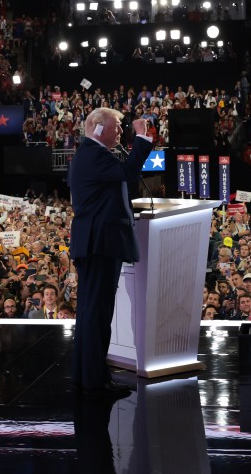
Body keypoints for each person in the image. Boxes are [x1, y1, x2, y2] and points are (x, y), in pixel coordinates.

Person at [69, 107, 152, 396]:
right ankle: (94, 381)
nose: (121, 131)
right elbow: (128, 173)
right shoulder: (93, 153)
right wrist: (142, 138)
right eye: (117, 126)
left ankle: (87, 376)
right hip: (100, 242)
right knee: (97, 314)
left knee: (93, 313)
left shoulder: (91, 153)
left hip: (96, 242)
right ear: (97, 127)